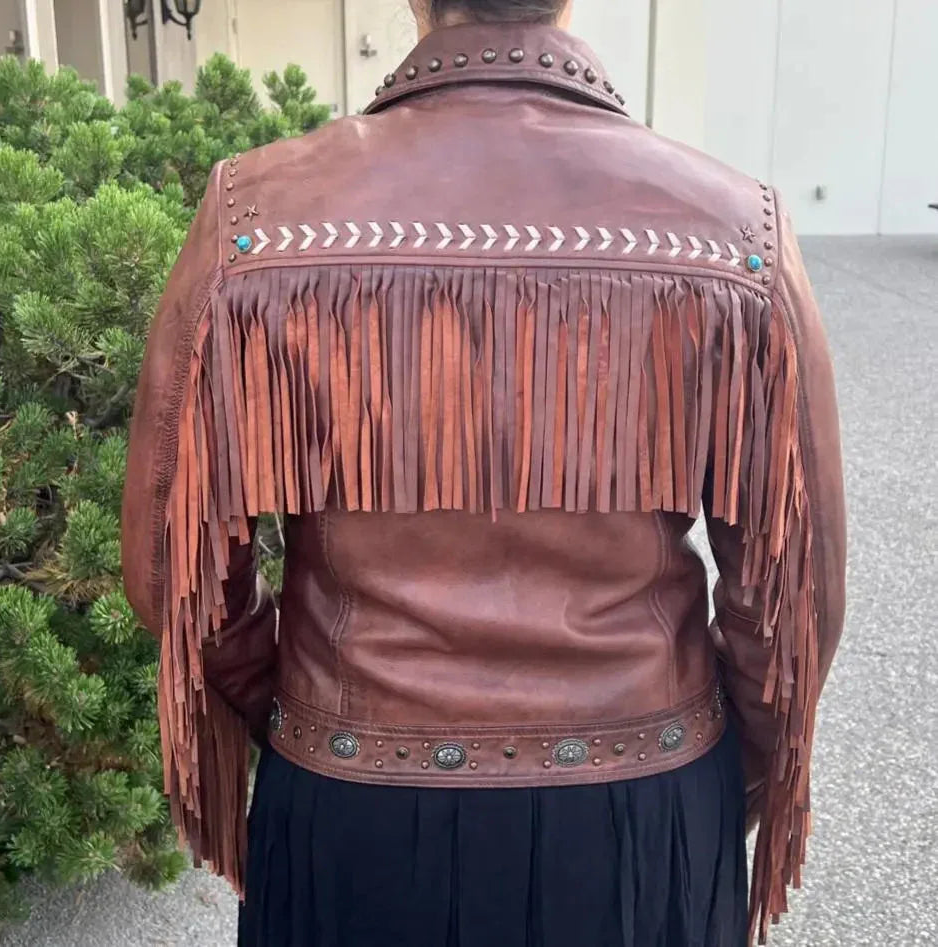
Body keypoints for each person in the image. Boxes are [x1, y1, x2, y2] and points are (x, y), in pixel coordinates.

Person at [121, 1, 847, 945]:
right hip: (643, 801)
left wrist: (288, 699)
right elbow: (793, 603)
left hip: (353, 802)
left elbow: (173, 574)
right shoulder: (731, 228)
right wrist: (716, 779)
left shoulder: (260, 215)